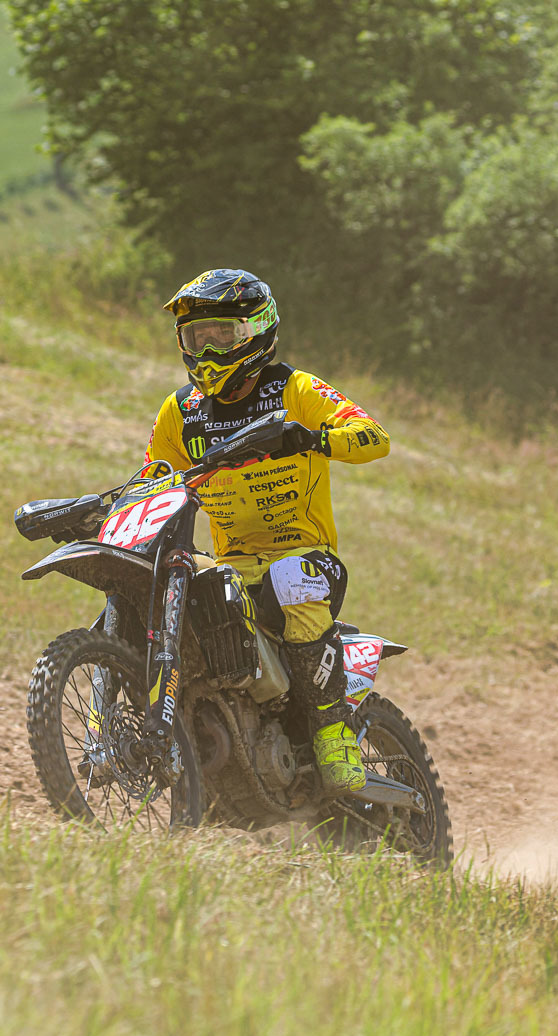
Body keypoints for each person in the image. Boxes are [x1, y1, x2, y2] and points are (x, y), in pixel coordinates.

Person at [140, 268, 391, 794]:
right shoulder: (180, 412)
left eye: (223, 336)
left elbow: (374, 436)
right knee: (160, 584)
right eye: (197, 339)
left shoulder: (295, 388)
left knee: (290, 577)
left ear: (257, 330)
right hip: (230, 566)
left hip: (307, 558)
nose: (209, 352)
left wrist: (314, 438)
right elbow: (152, 480)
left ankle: (333, 733)